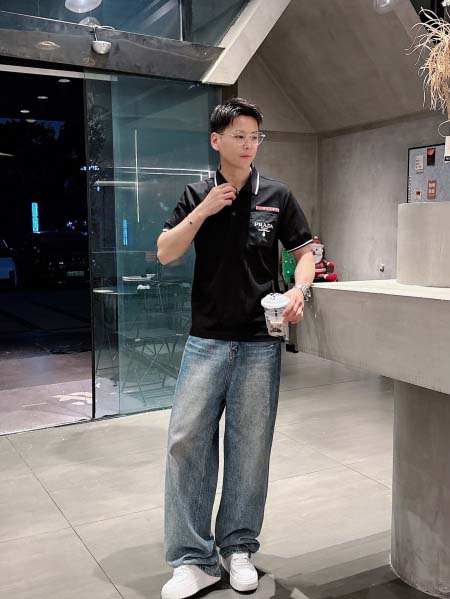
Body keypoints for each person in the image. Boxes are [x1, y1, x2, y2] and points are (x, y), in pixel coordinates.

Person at [157, 97, 315, 599]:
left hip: (259, 343)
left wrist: (299, 289)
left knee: (250, 447)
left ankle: (238, 548)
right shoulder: (196, 192)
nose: (248, 145)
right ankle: (192, 559)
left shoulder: (277, 195)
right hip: (205, 340)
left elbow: (306, 252)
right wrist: (204, 209)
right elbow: (165, 252)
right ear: (216, 140)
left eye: (255, 136)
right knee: (186, 442)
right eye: (239, 136)